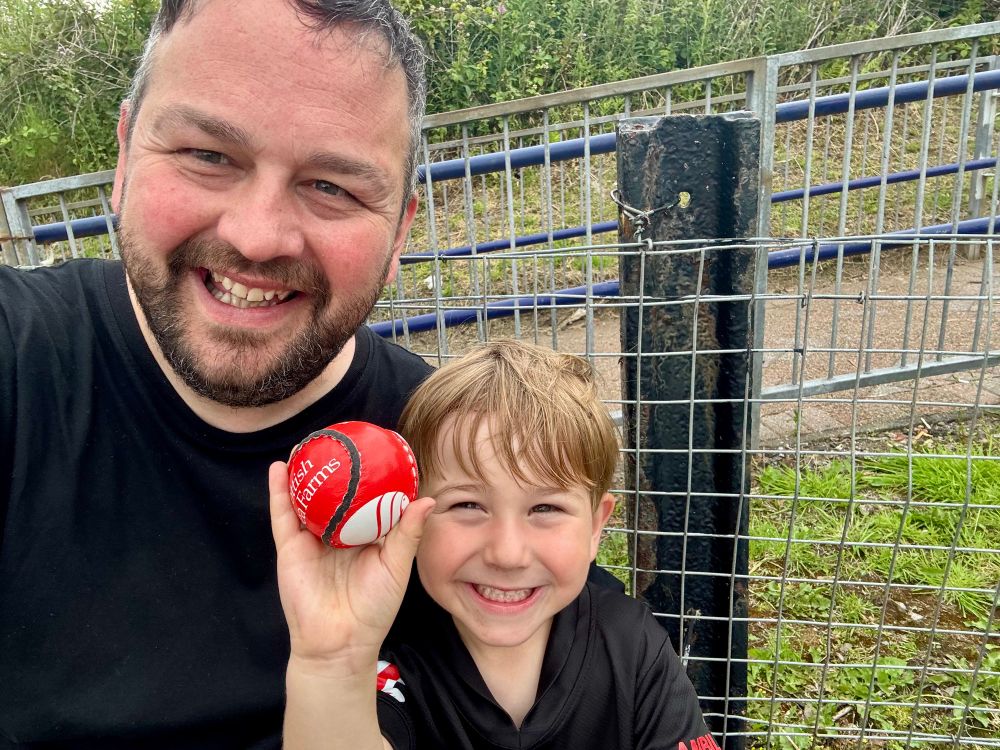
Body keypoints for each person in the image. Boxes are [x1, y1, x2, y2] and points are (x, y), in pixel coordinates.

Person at [0, 0, 433, 746]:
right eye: (209, 155)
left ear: (399, 231)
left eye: (332, 186)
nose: (257, 237)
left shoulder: (454, 447)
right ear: (126, 156)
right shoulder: (17, 356)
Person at [269, 340, 716, 749]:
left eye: (545, 510)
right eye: (467, 505)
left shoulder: (631, 643)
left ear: (596, 527)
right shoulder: (394, 667)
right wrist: (333, 664)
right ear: (411, 518)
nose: (507, 554)